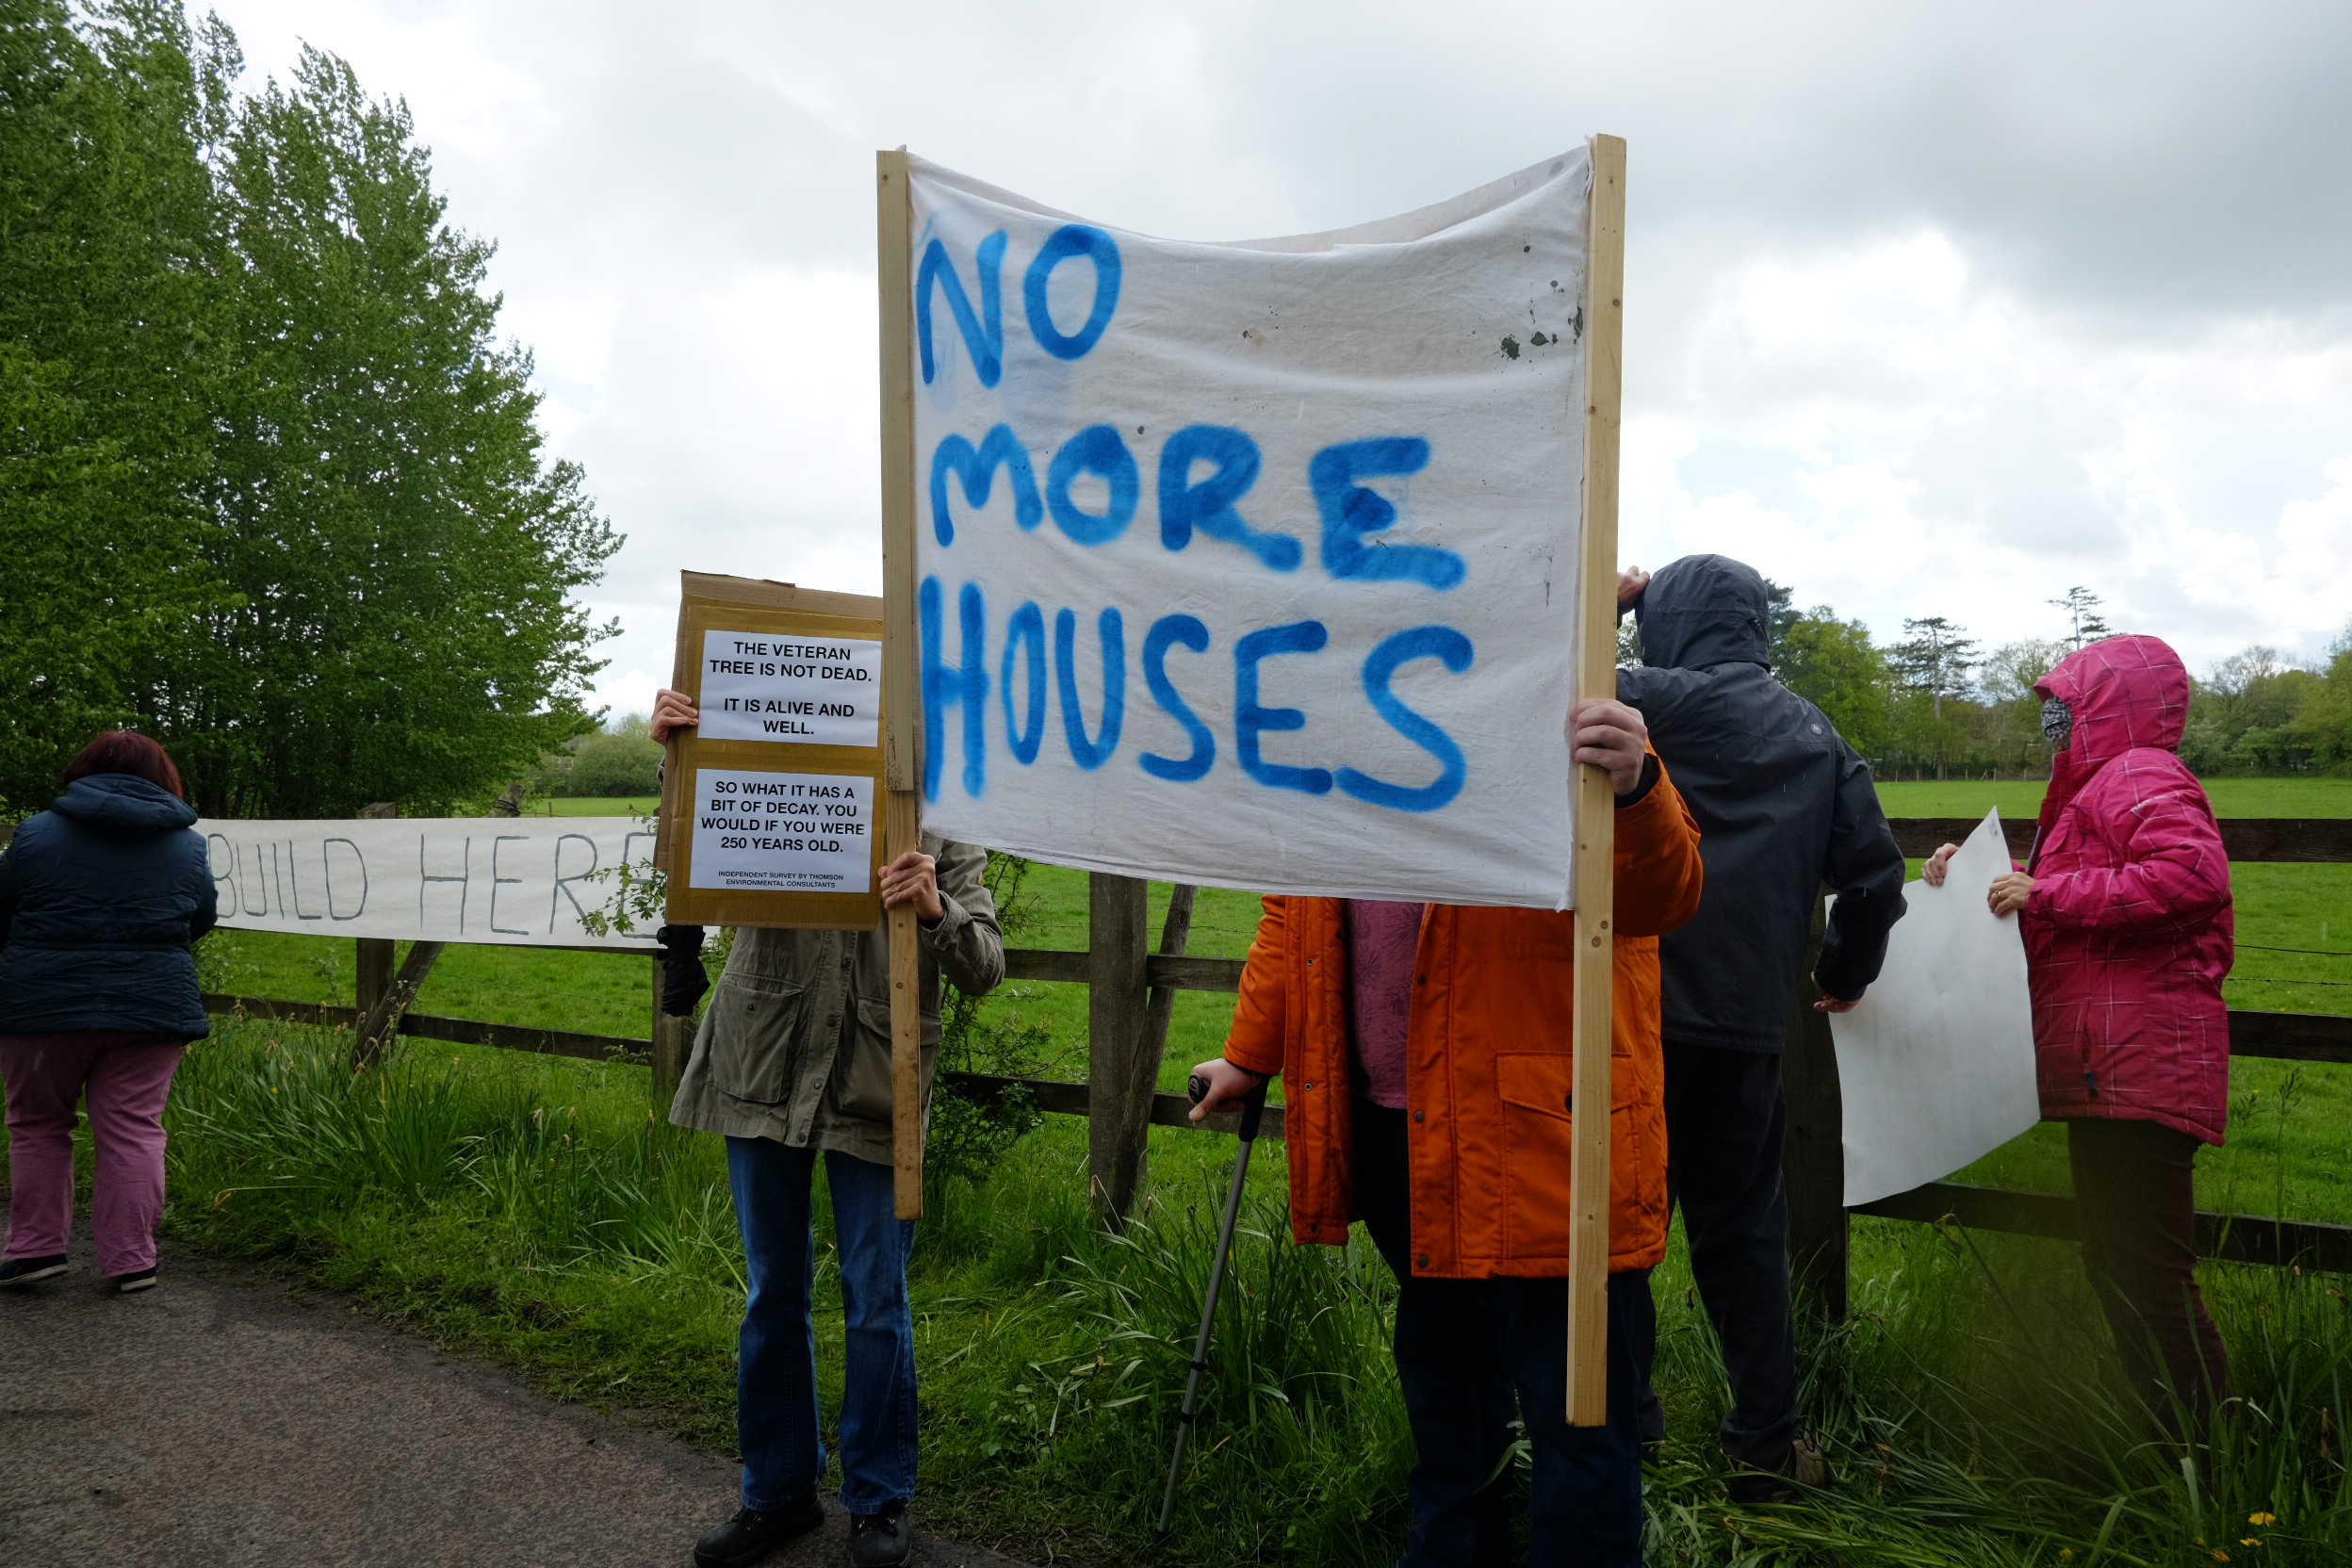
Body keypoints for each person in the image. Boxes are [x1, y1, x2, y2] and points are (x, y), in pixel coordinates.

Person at [1189, 698, 1705, 1568]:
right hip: (1401, 1131)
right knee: (1449, 1397)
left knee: (1579, 1419)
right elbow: (1296, 914)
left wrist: (1635, 783)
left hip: (1550, 1143)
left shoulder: (1562, 714)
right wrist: (1251, 1053)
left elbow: (1666, 893)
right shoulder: (1342, 729)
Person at [651, 688, 1004, 1568]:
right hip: (762, 1058)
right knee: (773, 1292)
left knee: (877, 1299)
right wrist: (680, 757)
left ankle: (879, 1501)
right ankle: (776, 1495)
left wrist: (936, 909)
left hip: (876, 1077)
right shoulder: (759, 767)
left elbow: (987, 967)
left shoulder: (946, 815)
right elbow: (681, 859)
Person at [1614, 554, 1907, 1499]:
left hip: (1629, 1013)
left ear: (1669, 618)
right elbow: (1875, 874)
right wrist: (1840, 970)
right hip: (1745, 1025)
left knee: (1621, 1227)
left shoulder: (1639, 697)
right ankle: (1767, 1449)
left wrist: (1604, 599)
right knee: (1744, 1233)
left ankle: (1626, 1433)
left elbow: (1522, 665)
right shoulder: (1815, 734)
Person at [1922, 633, 2232, 1439]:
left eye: (2066, 706)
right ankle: (2185, 1449)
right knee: (2124, 1269)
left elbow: (2191, 878)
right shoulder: (2100, 786)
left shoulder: (2140, 774)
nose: (2052, 721)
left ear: (2107, 708)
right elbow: (2032, 905)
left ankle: (2212, 1453)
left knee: (2147, 1277)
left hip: (2140, 1062)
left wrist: (2046, 894)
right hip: (2116, 1067)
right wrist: (1969, 883)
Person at [1, 731, 218, 1293]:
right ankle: (132, 1261)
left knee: (37, 1124)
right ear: (163, 779)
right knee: (134, 1129)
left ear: (82, 772)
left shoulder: (34, 834)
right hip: (151, 1006)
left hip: (43, 1008)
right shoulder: (188, 845)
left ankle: (34, 1251)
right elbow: (200, 921)